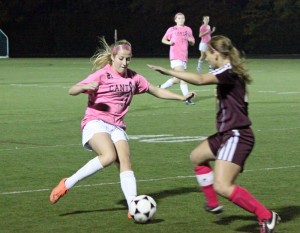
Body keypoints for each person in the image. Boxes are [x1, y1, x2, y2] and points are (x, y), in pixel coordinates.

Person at [148, 35, 281, 232]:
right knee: (197, 157)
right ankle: (213, 204)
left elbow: (201, 79)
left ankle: (266, 216)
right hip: (227, 134)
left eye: (207, 54)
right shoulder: (228, 71)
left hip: (237, 135)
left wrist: (170, 71)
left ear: (216, 54)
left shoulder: (228, 71)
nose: (205, 58)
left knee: (223, 185)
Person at [49, 38, 194, 219]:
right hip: (95, 121)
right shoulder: (102, 74)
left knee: (125, 161)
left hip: (116, 125)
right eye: (121, 59)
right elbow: (72, 90)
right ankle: (67, 183)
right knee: (109, 156)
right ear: (113, 57)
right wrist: (85, 86)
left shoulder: (134, 78)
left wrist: (181, 97)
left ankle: (132, 205)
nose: (125, 63)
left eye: (128, 59)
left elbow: (156, 91)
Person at [157, 12, 195, 105]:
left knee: (177, 79)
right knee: (183, 77)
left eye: (183, 18)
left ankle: (161, 87)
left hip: (184, 57)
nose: (181, 19)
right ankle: (187, 98)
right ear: (175, 20)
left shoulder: (188, 29)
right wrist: (169, 43)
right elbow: (163, 40)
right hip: (175, 56)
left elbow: (193, 42)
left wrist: (191, 41)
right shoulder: (172, 29)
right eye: (179, 18)